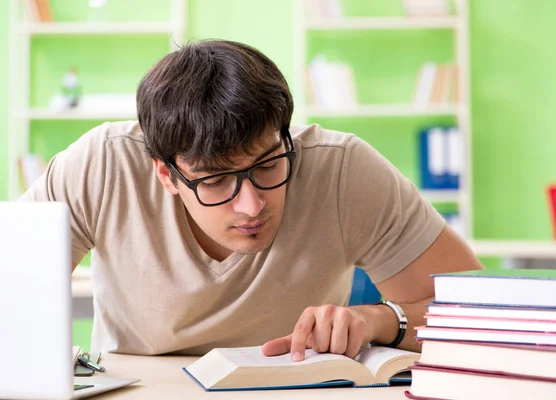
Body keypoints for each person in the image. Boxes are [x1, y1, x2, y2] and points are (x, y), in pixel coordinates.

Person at [21, 39, 483, 360]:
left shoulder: (344, 170)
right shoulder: (100, 167)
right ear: (166, 174)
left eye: (267, 165)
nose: (252, 206)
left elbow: (482, 316)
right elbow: (12, 286)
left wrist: (377, 320)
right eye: (216, 181)